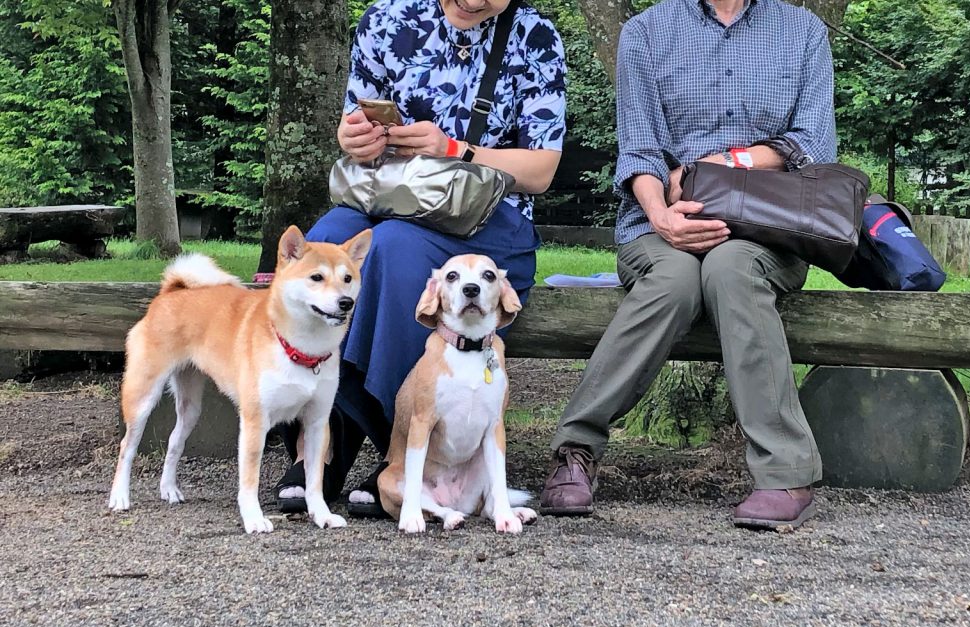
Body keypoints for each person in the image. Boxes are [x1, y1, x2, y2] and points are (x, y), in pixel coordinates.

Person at [538, 0, 836, 529]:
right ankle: (576, 450)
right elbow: (640, 151)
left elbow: (813, 143)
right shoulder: (645, 32)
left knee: (732, 268)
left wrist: (724, 164)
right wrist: (662, 217)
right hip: (658, 224)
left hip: (766, 230)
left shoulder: (803, 30)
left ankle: (785, 472)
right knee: (674, 281)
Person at [273, 0, 567, 515]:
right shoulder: (386, 20)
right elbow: (356, 134)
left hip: (488, 222)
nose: (474, 3)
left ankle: (399, 455)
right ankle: (322, 435)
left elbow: (541, 170)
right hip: (391, 197)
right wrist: (354, 137)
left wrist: (453, 149)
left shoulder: (535, 35)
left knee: (393, 249)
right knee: (326, 244)